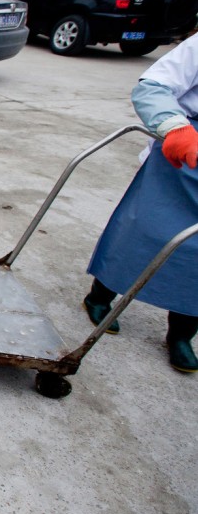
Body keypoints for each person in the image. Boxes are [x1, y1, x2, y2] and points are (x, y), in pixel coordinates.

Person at [82, 34, 198, 372]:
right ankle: (100, 295)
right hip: (183, 152)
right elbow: (153, 86)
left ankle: (181, 334)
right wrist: (175, 126)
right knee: (143, 230)